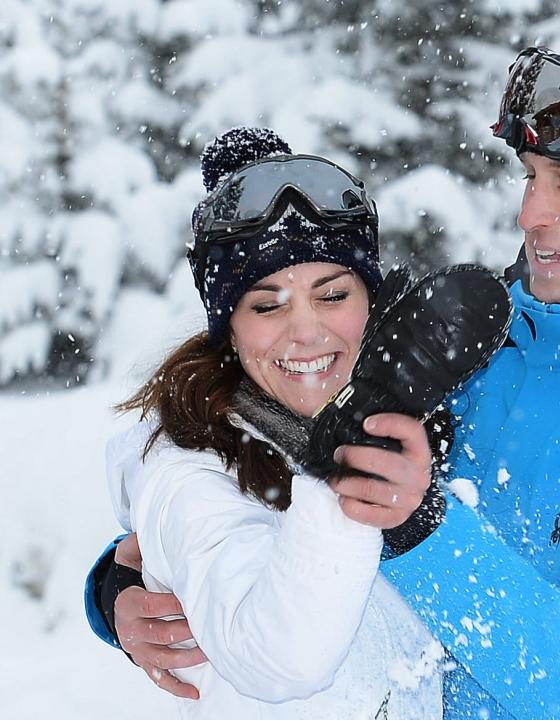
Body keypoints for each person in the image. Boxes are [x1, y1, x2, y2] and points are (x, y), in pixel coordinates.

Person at [87, 3, 560, 718]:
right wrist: (121, 587)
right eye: (531, 176)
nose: (531, 213)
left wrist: (419, 528)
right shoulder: (473, 332)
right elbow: (252, 457)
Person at [88, 125, 510, 718]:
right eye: (266, 305)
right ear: (227, 328)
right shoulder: (187, 473)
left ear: (373, 298)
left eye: (333, 295)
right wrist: (348, 460)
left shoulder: (430, 419)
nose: (306, 331)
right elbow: (278, 657)